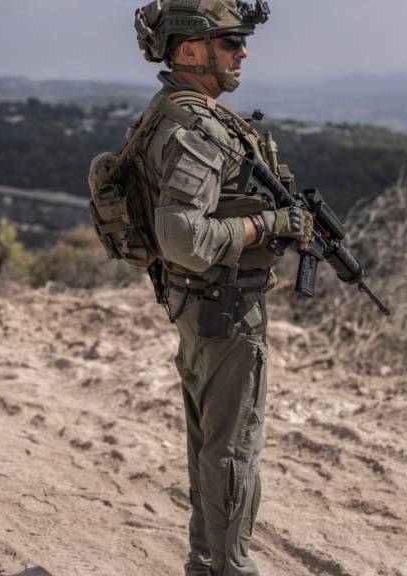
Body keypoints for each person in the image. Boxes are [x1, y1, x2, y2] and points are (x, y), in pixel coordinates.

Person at [129, 1, 311, 574]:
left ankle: (207, 562)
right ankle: (230, 567)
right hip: (223, 310)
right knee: (233, 450)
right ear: (189, 51)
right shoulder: (194, 128)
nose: (243, 52)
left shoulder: (181, 114)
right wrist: (269, 225)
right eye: (231, 42)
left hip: (204, 302)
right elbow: (181, 235)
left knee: (213, 445)